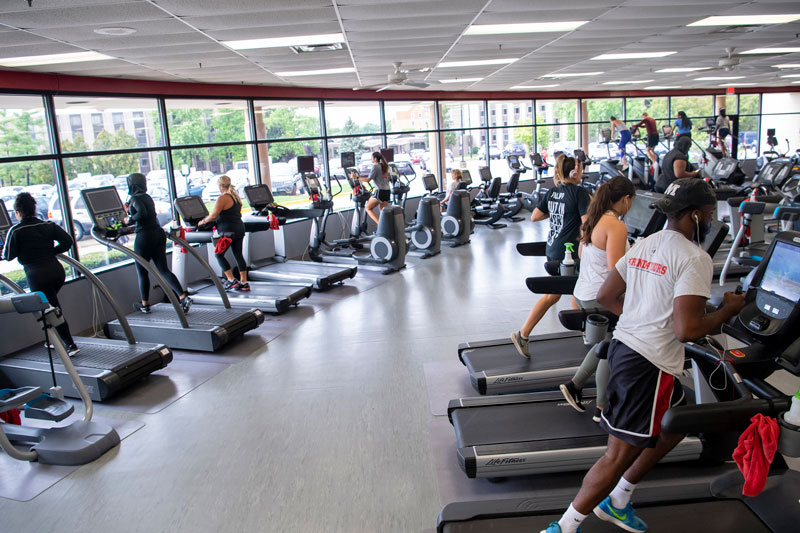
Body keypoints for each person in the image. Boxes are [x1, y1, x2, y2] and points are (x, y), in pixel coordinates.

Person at [540, 179, 746, 533]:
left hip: (625, 349)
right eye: (710, 214)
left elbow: (606, 296)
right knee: (616, 455)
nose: (711, 219)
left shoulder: (645, 244)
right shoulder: (695, 258)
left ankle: (619, 498)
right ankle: (564, 527)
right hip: (647, 367)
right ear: (696, 215)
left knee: (679, 421)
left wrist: (641, 315)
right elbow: (688, 331)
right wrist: (729, 310)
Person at [559, 176, 635, 423]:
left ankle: (574, 385)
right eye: (631, 201)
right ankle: (602, 408)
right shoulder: (616, 226)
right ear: (625, 199)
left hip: (583, 292)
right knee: (611, 347)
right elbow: (616, 269)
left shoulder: (592, 220)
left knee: (600, 345)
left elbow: (584, 254)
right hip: (600, 296)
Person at [511, 155, 591, 358]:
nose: (581, 173)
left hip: (553, 249)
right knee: (555, 293)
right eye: (580, 169)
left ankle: (584, 333)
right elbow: (587, 224)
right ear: (574, 172)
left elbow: (535, 216)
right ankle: (523, 333)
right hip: (568, 251)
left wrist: (559, 213)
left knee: (575, 287)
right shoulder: (579, 192)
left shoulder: (554, 191)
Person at [2, 192, 80, 356]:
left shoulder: (16, 231)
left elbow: (8, 256)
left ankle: (70, 345)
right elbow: (68, 241)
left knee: (52, 308)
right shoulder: (48, 225)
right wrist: (52, 252)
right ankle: (55, 340)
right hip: (57, 271)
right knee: (48, 306)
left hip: (37, 275)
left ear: (18, 212)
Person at [124, 173, 193, 313]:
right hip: (157, 233)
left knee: (142, 271)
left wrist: (128, 219)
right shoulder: (147, 197)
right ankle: (183, 296)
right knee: (163, 269)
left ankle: (145, 304)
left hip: (144, 236)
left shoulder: (135, 198)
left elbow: (141, 214)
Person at [199, 174, 249, 292]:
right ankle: (244, 282)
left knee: (219, 255)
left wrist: (202, 222)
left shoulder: (222, 198)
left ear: (221, 186)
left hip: (228, 232)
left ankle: (231, 280)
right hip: (239, 229)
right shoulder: (235, 196)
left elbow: (214, 215)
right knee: (238, 254)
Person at [354, 151, 391, 225]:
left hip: (380, 191)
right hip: (387, 191)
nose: (371, 159)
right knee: (382, 211)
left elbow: (368, 180)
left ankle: (381, 226)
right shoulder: (385, 166)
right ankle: (387, 229)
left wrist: (356, 177)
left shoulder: (375, 166)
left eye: (371, 158)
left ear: (375, 158)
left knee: (368, 208)